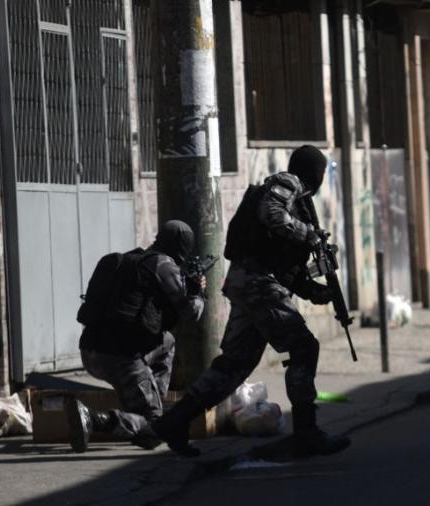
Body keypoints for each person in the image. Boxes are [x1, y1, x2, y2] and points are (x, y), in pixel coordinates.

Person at [142, 145, 350, 458]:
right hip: (257, 284)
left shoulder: (300, 200)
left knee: (234, 365)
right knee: (304, 347)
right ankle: (306, 432)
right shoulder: (288, 183)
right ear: (314, 173)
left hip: (252, 283)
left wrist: (315, 291)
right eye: (320, 173)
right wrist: (310, 235)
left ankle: (172, 423)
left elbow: (283, 266)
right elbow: (272, 214)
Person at [66, 220, 206, 453]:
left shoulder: (130, 261)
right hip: (120, 357)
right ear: (183, 247)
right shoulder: (164, 265)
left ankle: (153, 402)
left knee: (167, 342)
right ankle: (95, 419)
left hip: (90, 351)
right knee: (155, 429)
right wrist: (199, 291)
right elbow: (192, 313)